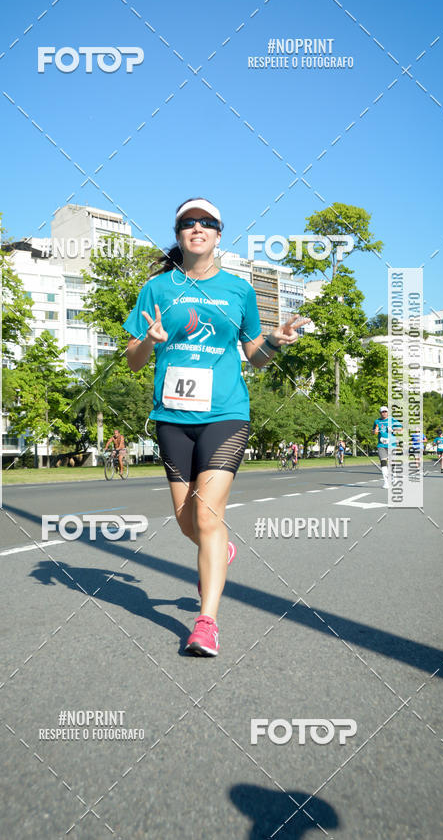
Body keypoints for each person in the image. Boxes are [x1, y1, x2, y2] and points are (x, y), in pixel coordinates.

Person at [124, 197, 309, 656]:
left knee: (208, 517)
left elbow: (255, 357)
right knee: (188, 522)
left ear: (218, 234)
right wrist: (149, 342)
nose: (197, 228)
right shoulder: (157, 288)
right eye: (188, 222)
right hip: (171, 418)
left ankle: (206, 623)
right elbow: (132, 361)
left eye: (206, 222)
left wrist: (275, 342)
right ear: (179, 233)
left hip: (226, 413)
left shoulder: (238, 290)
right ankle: (219, 550)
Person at [373, 405, 402, 489]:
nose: (384, 413)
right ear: (380, 413)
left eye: (385, 411)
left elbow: (401, 429)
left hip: (391, 444)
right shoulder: (377, 421)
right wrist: (375, 431)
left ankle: (394, 476)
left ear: (388, 412)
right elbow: (373, 431)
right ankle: (386, 482)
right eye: (382, 412)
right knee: (383, 462)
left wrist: (393, 430)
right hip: (381, 445)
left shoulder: (392, 420)